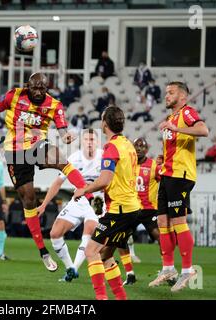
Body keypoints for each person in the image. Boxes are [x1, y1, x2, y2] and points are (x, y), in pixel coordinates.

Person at [0, 72, 94, 272]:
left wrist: (66, 137)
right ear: (28, 85)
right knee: (29, 200)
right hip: (15, 152)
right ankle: (43, 251)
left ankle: (90, 195)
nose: (37, 92)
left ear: (47, 88)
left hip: (38, 144)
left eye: (42, 88)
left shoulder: (54, 105)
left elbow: (62, 130)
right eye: (34, 87)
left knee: (62, 161)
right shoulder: (14, 95)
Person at [73, 106, 140, 300]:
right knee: (105, 254)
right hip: (132, 208)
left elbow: (105, 180)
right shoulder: (127, 144)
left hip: (120, 210)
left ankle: (101, 298)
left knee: (91, 250)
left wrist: (84, 189)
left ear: (104, 123)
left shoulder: (111, 147)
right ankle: (120, 297)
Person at [149, 81, 208, 292]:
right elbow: (175, 145)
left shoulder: (187, 112)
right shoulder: (170, 118)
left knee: (179, 221)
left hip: (180, 176)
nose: (166, 96)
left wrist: (177, 128)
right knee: (163, 221)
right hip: (167, 174)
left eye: (171, 93)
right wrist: (162, 157)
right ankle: (168, 269)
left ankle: (187, 270)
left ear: (182, 97)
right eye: (166, 92)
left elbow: (203, 129)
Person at [37, 129, 102, 282]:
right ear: (82, 142)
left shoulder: (104, 156)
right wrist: (44, 204)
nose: (89, 142)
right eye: (86, 139)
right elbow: (58, 182)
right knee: (54, 233)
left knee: (89, 230)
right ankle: (69, 268)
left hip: (97, 202)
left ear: (98, 142)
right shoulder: (74, 157)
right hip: (78, 200)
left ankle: (73, 270)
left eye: (92, 139)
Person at [99, 137, 161, 286]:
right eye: (136, 146)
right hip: (131, 208)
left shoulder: (154, 166)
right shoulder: (128, 164)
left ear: (147, 149)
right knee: (121, 240)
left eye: (142, 146)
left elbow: (165, 179)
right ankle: (130, 274)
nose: (139, 148)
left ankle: (167, 269)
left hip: (148, 209)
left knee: (161, 237)